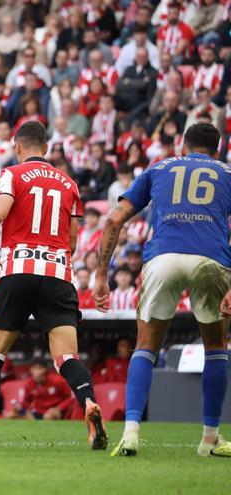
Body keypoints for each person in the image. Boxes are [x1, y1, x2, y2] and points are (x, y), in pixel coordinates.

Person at [0, 121, 107, 450]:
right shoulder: (69, 184)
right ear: (46, 145)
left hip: (19, 270)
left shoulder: (13, 174)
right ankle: (87, 404)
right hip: (58, 275)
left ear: (18, 147)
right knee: (67, 356)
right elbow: (71, 241)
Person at [94, 122, 231, 458]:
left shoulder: (160, 168)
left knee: (145, 346)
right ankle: (209, 439)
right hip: (210, 259)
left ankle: (130, 433)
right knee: (216, 347)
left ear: (182, 147)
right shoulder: (227, 172)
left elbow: (113, 220)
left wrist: (100, 275)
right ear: (217, 150)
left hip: (163, 257)